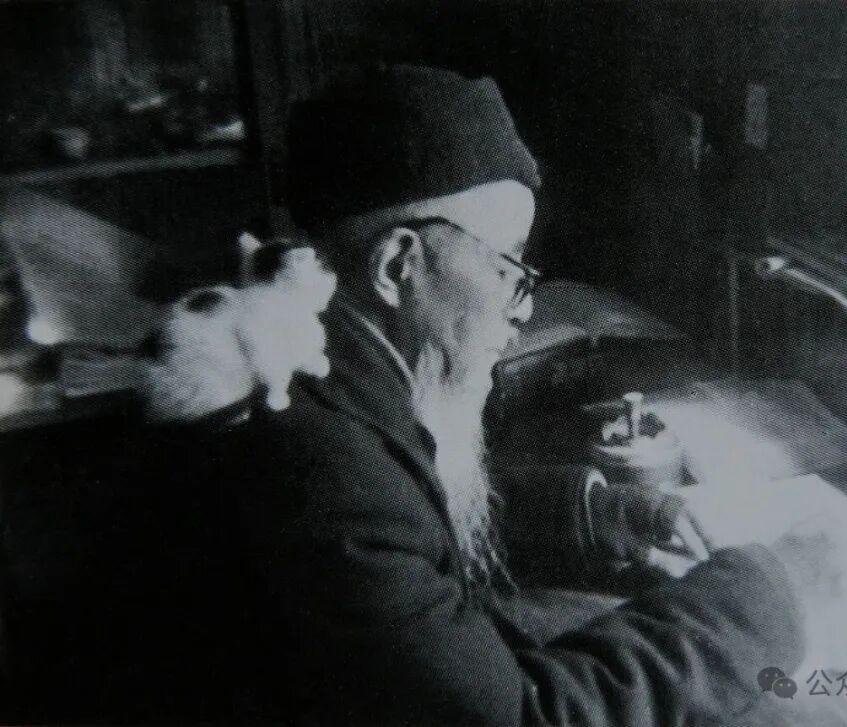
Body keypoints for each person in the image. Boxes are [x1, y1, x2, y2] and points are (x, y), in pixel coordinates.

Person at [220, 64, 805, 726]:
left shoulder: (326, 374)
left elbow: (413, 524)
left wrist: (593, 515)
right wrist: (767, 599)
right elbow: (524, 717)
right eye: (507, 265)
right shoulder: (320, 467)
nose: (522, 308)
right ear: (397, 266)